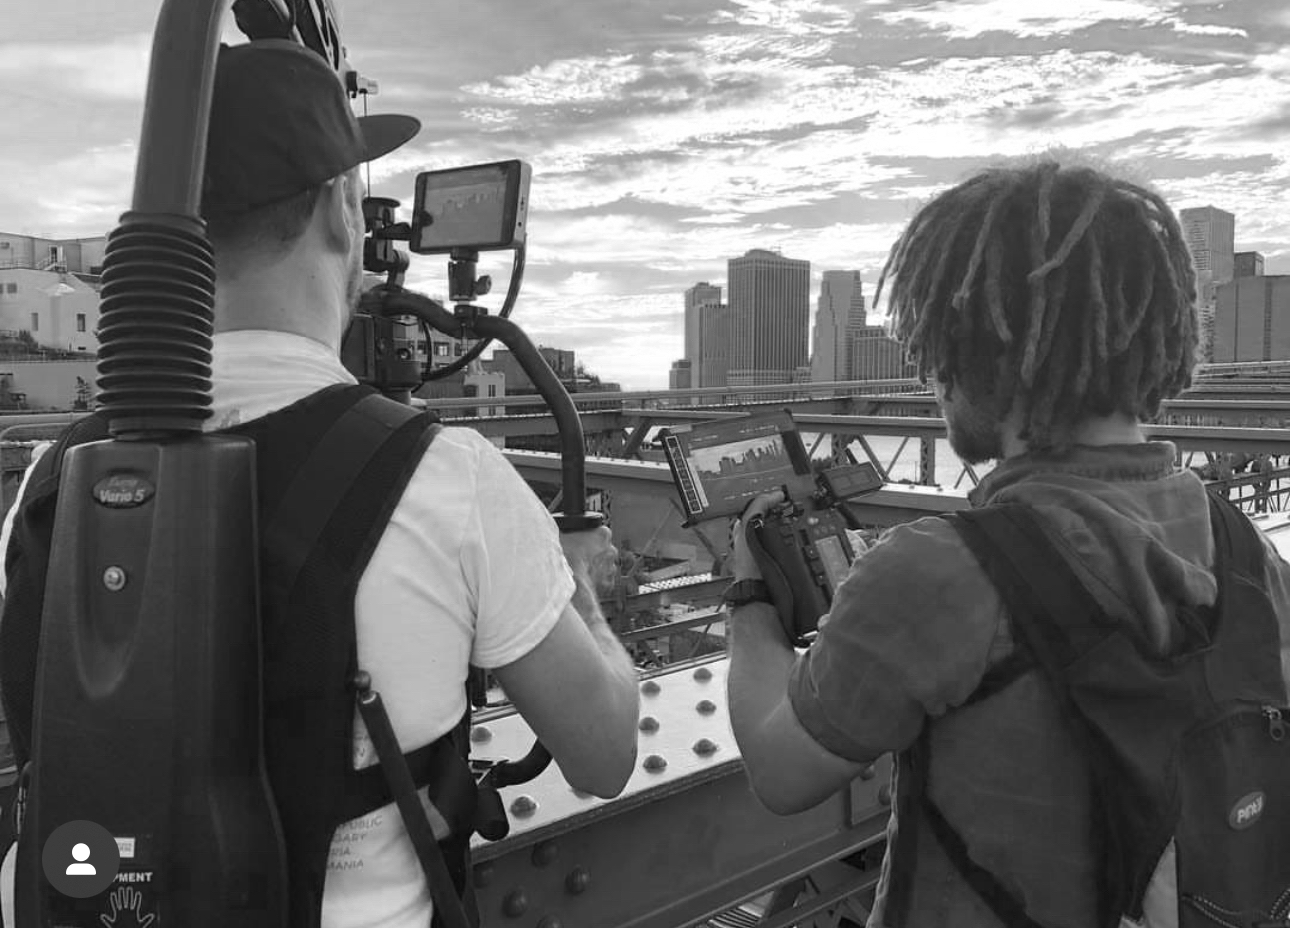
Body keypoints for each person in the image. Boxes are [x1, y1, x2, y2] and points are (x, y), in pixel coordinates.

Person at [0, 39, 639, 928]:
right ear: (341, 209)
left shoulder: (51, 478)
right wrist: (585, 595)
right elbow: (602, 754)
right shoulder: (444, 478)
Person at [726, 156, 1290, 926]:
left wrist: (750, 600)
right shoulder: (1251, 554)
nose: (929, 372)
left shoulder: (939, 572)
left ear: (988, 349)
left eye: (937, 343)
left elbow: (781, 771)